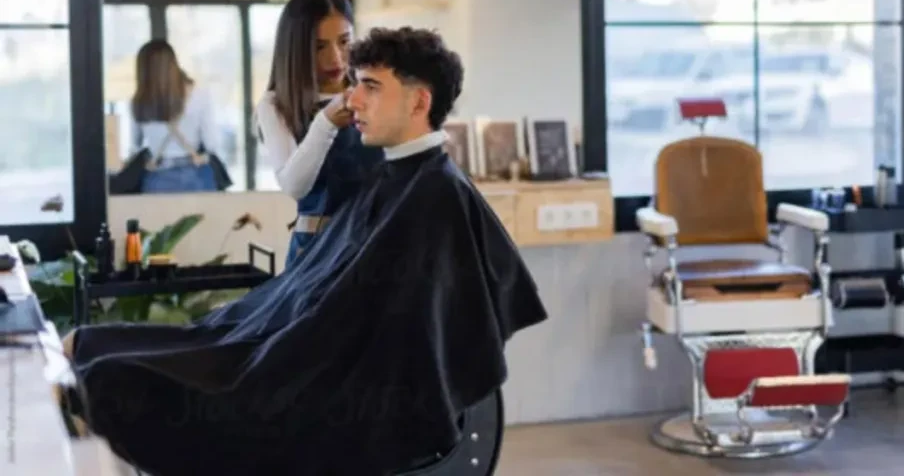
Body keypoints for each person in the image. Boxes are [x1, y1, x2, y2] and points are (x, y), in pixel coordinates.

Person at [61, 27, 548, 475]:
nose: (351, 99)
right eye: (354, 83)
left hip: (311, 388)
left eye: (371, 87)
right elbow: (312, 301)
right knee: (90, 344)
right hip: (285, 352)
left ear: (420, 101)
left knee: (109, 376)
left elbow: (371, 340)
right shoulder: (395, 179)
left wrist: (265, 349)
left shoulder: (436, 197)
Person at [254, 0, 383, 266]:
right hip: (317, 249)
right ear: (296, 49)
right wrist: (324, 124)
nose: (335, 58)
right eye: (319, 47)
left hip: (376, 241)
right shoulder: (276, 104)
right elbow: (294, 186)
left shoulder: (371, 91)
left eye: (344, 41)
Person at [131, 39, 222, 193]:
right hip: (196, 176)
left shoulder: (139, 102)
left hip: (156, 179)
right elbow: (212, 144)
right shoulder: (200, 95)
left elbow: (134, 147)